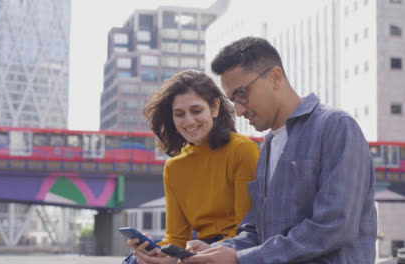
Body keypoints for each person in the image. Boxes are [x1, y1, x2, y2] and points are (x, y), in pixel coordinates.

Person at [182, 37, 377, 263]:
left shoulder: (336, 127)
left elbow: (333, 226)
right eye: (232, 100)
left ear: (275, 77)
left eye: (241, 94)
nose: (238, 109)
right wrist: (216, 250)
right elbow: (258, 231)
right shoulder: (267, 148)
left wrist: (240, 259)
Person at [125, 70, 259, 264]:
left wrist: (210, 249)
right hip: (196, 249)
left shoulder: (242, 150)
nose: (188, 121)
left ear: (214, 108)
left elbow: (247, 230)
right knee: (134, 261)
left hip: (235, 249)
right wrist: (153, 252)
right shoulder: (173, 167)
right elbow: (176, 238)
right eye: (179, 114)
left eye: (196, 111)